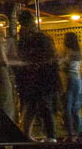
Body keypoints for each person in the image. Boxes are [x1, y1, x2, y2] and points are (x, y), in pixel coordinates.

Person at [13, 9, 59, 139]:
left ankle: (48, 135)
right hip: (36, 77)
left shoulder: (38, 39)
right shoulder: (27, 39)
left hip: (41, 77)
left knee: (41, 105)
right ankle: (29, 133)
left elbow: (50, 56)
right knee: (34, 105)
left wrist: (36, 64)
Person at [59, 31, 82, 140]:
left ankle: (71, 133)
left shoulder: (69, 54)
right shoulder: (78, 53)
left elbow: (63, 65)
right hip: (77, 80)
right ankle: (79, 132)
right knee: (74, 108)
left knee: (68, 108)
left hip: (69, 80)